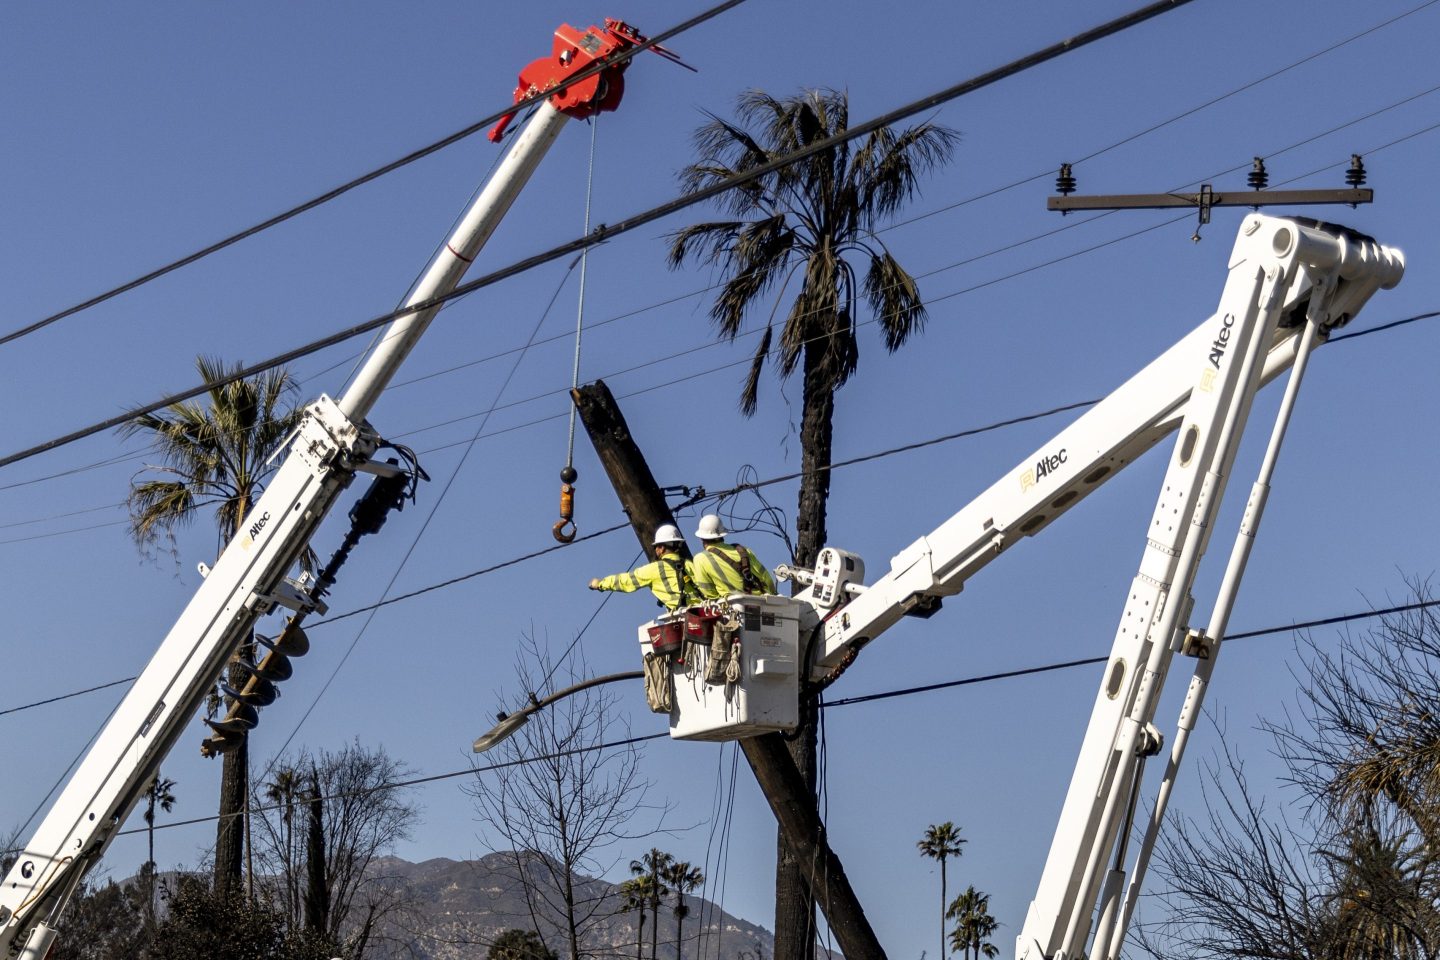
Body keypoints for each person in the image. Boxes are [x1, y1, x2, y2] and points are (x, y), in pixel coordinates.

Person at [588, 524, 698, 612]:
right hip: (702, 612)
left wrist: (601, 583)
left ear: (662, 548)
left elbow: (627, 581)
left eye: (656, 547)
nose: (656, 550)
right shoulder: (690, 564)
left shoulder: (655, 569)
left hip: (684, 617)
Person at [690, 514, 777, 600]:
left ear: (701, 538)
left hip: (735, 604)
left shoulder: (700, 559)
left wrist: (718, 600)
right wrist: (774, 594)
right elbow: (766, 577)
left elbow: (708, 592)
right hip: (762, 601)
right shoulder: (743, 550)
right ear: (722, 535)